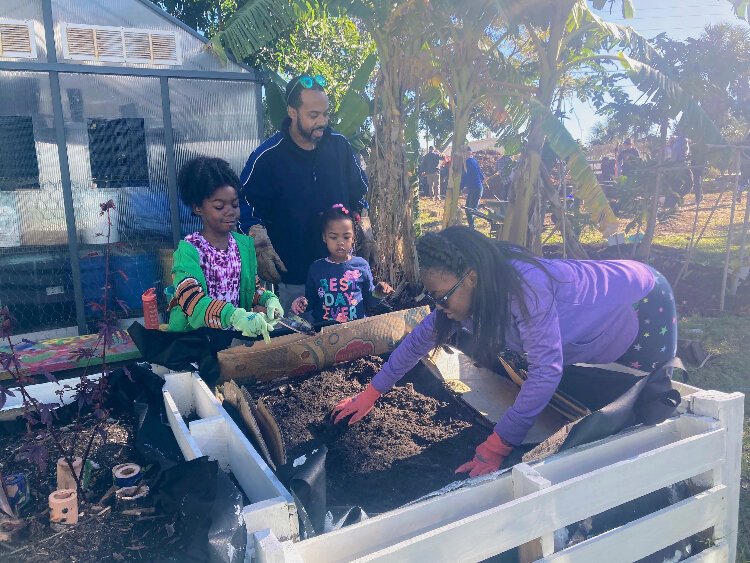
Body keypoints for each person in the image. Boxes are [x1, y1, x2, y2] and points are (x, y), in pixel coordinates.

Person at [332, 226, 678, 477]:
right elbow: (419, 340)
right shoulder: (470, 294)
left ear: (470, 277)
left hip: (643, 305)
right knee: (593, 392)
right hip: (597, 325)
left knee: (643, 402)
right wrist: (372, 392)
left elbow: (546, 372)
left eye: (441, 296)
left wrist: (497, 446)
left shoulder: (526, 290)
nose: (438, 306)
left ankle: (654, 477)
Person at [239, 74, 370, 312]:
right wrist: (257, 238)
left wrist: (364, 221)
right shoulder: (267, 157)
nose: (322, 121)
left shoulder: (340, 147)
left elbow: (358, 190)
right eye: (313, 115)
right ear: (292, 112)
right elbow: (243, 203)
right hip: (295, 277)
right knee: (299, 342)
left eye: (325, 114)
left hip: (341, 272)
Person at [167, 156, 283, 342]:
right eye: (219, 206)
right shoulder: (189, 251)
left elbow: (250, 290)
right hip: (196, 344)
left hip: (234, 341)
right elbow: (192, 302)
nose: (230, 211)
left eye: (235, 204)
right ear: (198, 207)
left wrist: (268, 300)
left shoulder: (243, 246)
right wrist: (234, 316)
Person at [291, 205, 393, 323]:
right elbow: (311, 301)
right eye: (333, 237)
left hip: (355, 332)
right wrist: (301, 303)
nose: (340, 242)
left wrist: (379, 293)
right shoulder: (316, 268)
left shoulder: (362, 265)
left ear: (353, 238)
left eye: (346, 237)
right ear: (324, 237)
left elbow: (370, 301)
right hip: (324, 333)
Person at [461, 147, 485, 229]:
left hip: (475, 188)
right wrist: (482, 179)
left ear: (468, 153)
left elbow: (465, 176)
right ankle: (472, 226)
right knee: (469, 208)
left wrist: (460, 187)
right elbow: (481, 174)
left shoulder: (467, 162)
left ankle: (472, 226)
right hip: (477, 188)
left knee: (470, 209)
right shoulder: (474, 161)